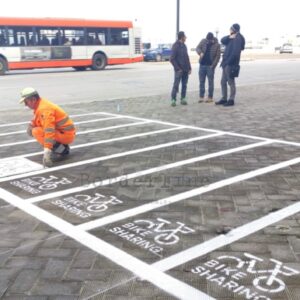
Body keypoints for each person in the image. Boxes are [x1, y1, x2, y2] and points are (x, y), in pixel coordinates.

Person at [19, 87, 76, 167]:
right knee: (36, 129)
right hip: (63, 132)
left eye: (26, 102)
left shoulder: (44, 109)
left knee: (36, 131)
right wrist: (31, 124)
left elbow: (49, 130)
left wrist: (47, 152)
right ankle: (61, 146)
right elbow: (38, 119)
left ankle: (62, 150)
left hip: (66, 135)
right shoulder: (41, 104)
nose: (25, 104)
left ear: (33, 99)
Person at [215, 23, 245, 106]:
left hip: (230, 63)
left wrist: (229, 62)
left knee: (231, 82)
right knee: (223, 82)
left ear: (234, 29)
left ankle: (231, 99)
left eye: (230, 29)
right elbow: (222, 40)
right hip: (225, 63)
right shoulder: (231, 37)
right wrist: (229, 37)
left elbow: (235, 52)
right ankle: (224, 98)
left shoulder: (238, 38)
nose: (229, 30)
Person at [196, 32, 220, 103]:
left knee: (210, 82)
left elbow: (218, 56)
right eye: (207, 40)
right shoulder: (203, 41)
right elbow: (197, 48)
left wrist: (213, 65)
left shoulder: (217, 45)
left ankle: (210, 97)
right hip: (202, 65)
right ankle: (201, 97)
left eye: (210, 40)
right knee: (201, 82)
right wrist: (200, 53)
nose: (208, 41)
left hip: (210, 66)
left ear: (213, 39)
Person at [170, 31, 192, 107]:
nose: (186, 37)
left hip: (185, 69)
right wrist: (178, 68)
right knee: (176, 85)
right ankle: (173, 99)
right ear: (182, 37)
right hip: (179, 70)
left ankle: (183, 98)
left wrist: (189, 68)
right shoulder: (175, 46)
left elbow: (187, 57)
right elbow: (172, 59)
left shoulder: (184, 46)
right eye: (185, 36)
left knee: (184, 85)